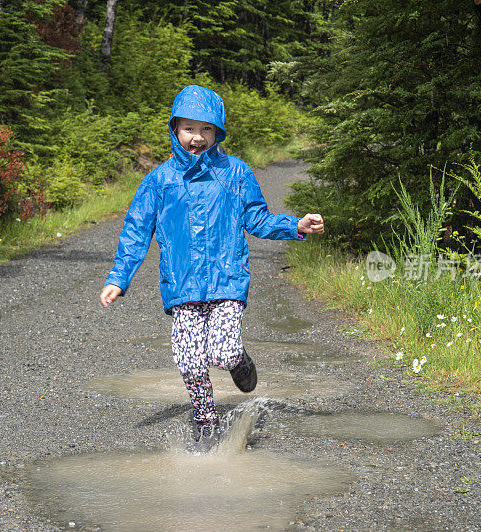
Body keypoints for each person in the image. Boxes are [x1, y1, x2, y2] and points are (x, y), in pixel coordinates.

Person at [99, 85, 324, 451]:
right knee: (189, 359)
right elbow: (137, 228)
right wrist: (119, 277)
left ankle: (240, 361)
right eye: (189, 128)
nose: (197, 138)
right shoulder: (160, 181)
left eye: (206, 130)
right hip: (182, 285)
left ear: (218, 133)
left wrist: (295, 225)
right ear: (175, 129)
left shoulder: (234, 172)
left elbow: (257, 218)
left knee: (222, 353)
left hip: (227, 281)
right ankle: (205, 418)